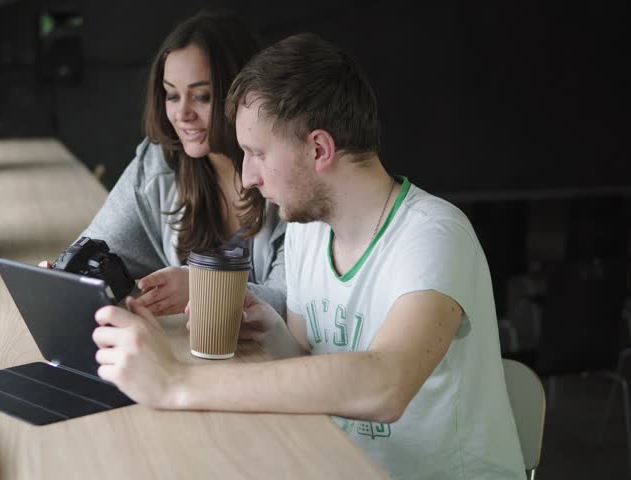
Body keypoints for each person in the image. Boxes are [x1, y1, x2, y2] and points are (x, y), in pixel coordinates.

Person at [91, 33, 526, 479]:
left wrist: (176, 382)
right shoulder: (309, 233)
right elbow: (304, 359)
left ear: (319, 149)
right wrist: (270, 328)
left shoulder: (434, 234)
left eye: (257, 153)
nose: (248, 176)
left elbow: (386, 385)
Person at [66, 10, 286, 317]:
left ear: (244, 94)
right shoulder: (160, 163)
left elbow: (295, 304)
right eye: (171, 95)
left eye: (202, 96)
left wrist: (206, 287)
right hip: (187, 355)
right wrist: (67, 275)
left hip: (268, 361)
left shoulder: (289, 173)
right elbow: (99, 249)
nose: (183, 113)